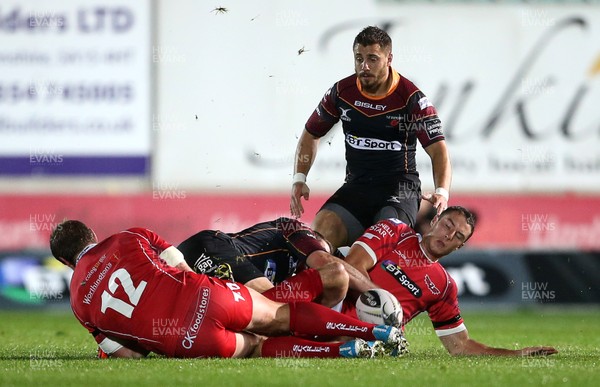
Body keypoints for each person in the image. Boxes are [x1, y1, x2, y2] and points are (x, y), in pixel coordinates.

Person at [50, 220, 408, 359]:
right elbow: (176, 259)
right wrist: (196, 285)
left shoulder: (79, 305)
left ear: (67, 263)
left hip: (186, 340)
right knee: (278, 316)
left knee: (258, 344)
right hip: (206, 289)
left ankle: (344, 351)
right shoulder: (125, 236)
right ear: (93, 236)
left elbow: (129, 357)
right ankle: (374, 331)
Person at [290, 25, 451, 250]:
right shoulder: (341, 93)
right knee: (318, 238)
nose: (364, 66)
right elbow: (311, 134)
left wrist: (442, 191)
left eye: (372, 59)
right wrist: (300, 178)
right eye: (359, 58)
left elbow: (438, 150)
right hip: (357, 186)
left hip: (399, 189)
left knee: (380, 243)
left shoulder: (411, 99)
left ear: (389, 59)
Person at [340, 206, 558, 357]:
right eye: (447, 225)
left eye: (458, 236)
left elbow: (460, 346)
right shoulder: (396, 231)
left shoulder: (444, 287)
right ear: (434, 221)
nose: (448, 235)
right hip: (338, 312)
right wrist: (387, 307)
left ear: (459, 247)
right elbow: (351, 266)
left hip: (373, 338)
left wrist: (515, 354)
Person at [177, 217, 379, 308]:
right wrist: (380, 296)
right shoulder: (296, 228)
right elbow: (324, 261)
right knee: (271, 309)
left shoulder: (294, 282)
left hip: (198, 277)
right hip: (209, 247)